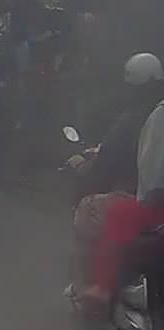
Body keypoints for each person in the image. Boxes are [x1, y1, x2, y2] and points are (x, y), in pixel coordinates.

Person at [69, 53, 164, 307]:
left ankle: (95, 287)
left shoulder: (148, 118)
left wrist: (84, 168)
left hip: (146, 200)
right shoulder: (149, 114)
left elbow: (149, 172)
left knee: (93, 208)